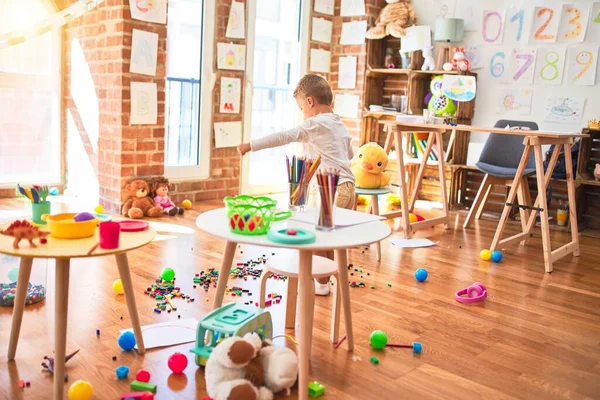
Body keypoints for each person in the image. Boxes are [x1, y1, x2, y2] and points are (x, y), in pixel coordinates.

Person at [237, 74, 355, 295]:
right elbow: (348, 154)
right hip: (347, 188)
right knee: (329, 238)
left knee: (318, 239)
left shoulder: (314, 123)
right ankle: (327, 281)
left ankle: (321, 283)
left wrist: (250, 146)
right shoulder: (339, 124)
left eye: (302, 108)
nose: (303, 113)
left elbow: (284, 137)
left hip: (331, 189)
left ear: (310, 102)